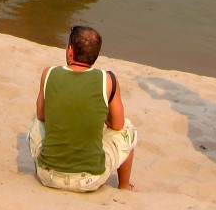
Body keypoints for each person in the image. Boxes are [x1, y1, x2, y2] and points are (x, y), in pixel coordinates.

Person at [28, 25, 138, 193]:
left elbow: (42, 116)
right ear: (96, 55)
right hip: (89, 180)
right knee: (129, 129)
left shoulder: (49, 73)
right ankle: (124, 186)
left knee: (36, 123)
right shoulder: (108, 80)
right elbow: (117, 125)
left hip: (47, 175)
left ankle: (45, 164)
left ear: (70, 50)